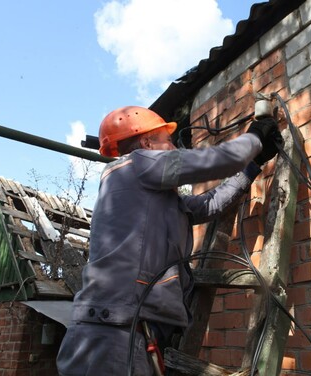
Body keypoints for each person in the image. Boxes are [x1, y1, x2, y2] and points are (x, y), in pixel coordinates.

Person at [56, 105, 281, 375]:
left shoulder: (148, 196)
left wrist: (252, 167)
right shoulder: (136, 164)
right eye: (169, 141)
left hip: (121, 333)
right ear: (146, 143)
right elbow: (215, 160)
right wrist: (256, 136)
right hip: (113, 337)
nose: (175, 148)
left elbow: (208, 205)